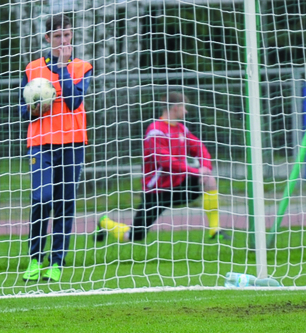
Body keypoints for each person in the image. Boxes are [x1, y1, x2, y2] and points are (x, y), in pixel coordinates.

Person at [96, 91, 230, 243]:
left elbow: (199, 148)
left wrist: (205, 168)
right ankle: (104, 222)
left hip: (178, 186)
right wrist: (195, 171)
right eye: (183, 107)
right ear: (175, 108)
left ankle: (215, 230)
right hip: (157, 192)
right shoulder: (156, 131)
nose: (185, 111)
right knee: (135, 236)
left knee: (209, 181)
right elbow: (167, 163)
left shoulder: (181, 129)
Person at [20, 14, 92, 283]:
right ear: (48, 38)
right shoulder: (33, 68)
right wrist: (35, 107)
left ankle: (56, 263)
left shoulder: (82, 67)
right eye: (58, 36)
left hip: (73, 142)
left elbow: (74, 102)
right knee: (42, 198)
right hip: (40, 143)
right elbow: (23, 110)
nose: (64, 40)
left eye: (67, 35)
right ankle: (35, 259)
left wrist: (62, 68)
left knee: (64, 204)